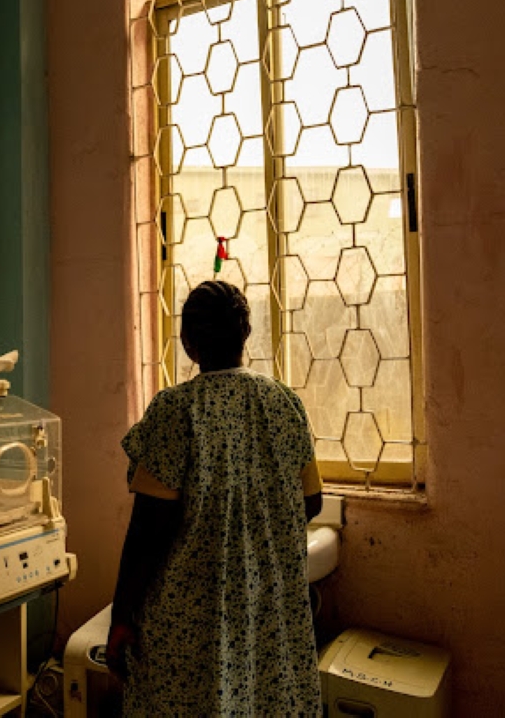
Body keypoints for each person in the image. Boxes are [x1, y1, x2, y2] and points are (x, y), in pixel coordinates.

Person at [105, 280, 323, 716]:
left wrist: (121, 617)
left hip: (191, 620)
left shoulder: (175, 410)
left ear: (188, 343)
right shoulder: (284, 403)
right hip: (265, 609)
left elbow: (148, 531)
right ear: (246, 334)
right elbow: (311, 503)